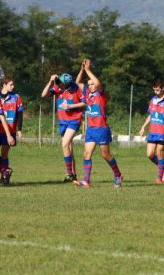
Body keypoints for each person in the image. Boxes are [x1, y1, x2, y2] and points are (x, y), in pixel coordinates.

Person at [74, 59, 123, 188]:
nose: (90, 86)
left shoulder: (101, 93)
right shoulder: (87, 93)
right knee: (86, 154)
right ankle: (86, 181)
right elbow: (77, 82)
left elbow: (97, 82)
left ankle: (118, 175)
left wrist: (89, 70)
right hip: (91, 129)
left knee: (105, 155)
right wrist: (82, 69)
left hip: (101, 129)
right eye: (88, 84)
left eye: (91, 84)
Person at [41, 70, 86, 182]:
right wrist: (50, 82)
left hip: (74, 120)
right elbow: (44, 95)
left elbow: (84, 102)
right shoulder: (57, 87)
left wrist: (71, 105)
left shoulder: (75, 88)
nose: (59, 83)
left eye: (61, 82)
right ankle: (73, 175)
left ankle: (69, 173)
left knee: (64, 143)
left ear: (67, 84)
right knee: (69, 149)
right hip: (62, 121)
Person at [0, 76, 23, 185]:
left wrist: (19, 129)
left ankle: (4, 177)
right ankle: (5, 170)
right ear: (4, 85)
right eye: (11, 84)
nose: (13, 86)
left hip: (10, 130)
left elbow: (20, 114)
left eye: (13, 84)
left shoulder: (16, 97)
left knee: (4, 154)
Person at [139, 79, 164, 184]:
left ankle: (159, 177)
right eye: (154, 90)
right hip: (152, 131)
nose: (156, 92)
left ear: (163, 89)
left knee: (159, 152)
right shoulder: (153, 99)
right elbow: (151, 115)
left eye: (158, 90)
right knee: (149, 154)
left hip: (162, 131)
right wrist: (143, 127)